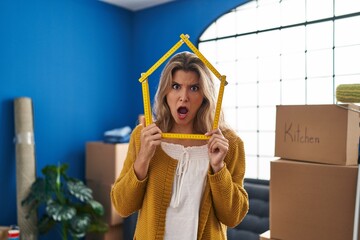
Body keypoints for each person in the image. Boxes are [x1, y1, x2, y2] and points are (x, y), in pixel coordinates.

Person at [111, 51, 249, 240]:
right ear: (165, 92)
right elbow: (121, 205)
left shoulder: (228, 144)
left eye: (194, 88)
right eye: (176, 86)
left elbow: (233, 217)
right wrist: (143, 158)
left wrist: (218, 168)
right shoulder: (143, 136)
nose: (183, 97)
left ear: (205, 95)